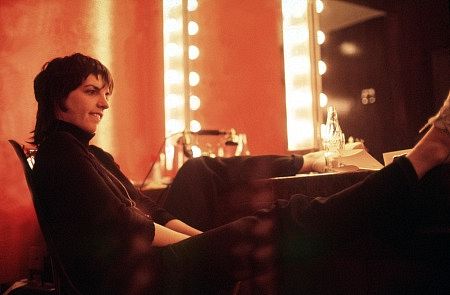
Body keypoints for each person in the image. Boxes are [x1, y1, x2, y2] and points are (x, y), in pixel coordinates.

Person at [30, 53, 450, 294]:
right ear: (56, 100)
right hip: (137, 282)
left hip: (146, 260)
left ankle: (306, 161)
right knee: (282, 222)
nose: (104, 103)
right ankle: (419, 160)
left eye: (106, 94)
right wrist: (210, 243)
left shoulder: (88, 153)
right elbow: (130, 228)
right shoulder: (59, 155)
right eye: (91, 91)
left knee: (200, 167)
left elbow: (148, 210)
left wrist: (207, 239)